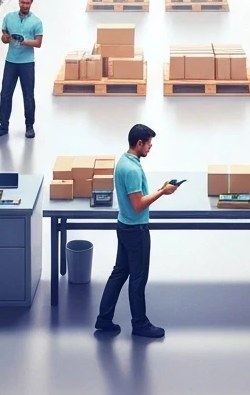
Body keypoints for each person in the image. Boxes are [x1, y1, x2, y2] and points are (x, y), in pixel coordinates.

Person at [94, 123, 179, 339]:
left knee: (119, 273)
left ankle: (104, 319)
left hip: (123, 225)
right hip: (135, 230)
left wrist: (160, 188)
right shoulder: (131, 169)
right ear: (139, 143)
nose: (150, 147)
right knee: (138, 279)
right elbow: (138, 204)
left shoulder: (125, 160)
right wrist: (163, 192)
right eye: (148, 144)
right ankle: (139, 324)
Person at [0, 0, 43, 140]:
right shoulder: (9, 18)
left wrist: (23, 41)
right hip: (11, 62)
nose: (25, 5)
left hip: (27, 63)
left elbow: (38, 43)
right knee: (5, 95)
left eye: (27, 3)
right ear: (19, 2)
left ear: (31, 3)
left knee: (28, 96)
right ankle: (3, 127)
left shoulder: (36, 22)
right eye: (22, 2)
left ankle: (29, 126)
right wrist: (6, 38)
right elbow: (4, 38)